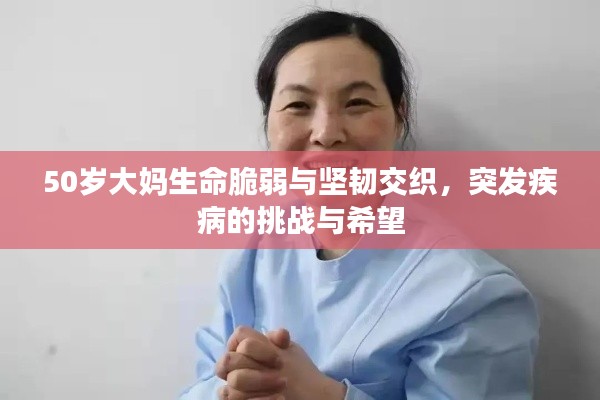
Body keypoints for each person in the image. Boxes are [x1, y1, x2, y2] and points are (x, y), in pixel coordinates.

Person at [178, 10, 539, 400]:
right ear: (269, 120)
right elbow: (203, 382)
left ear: (399, 115)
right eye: (298, 105)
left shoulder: (472, 294)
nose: (326, 133)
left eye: (357, 103)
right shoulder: (255, 250)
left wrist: (324, 394)